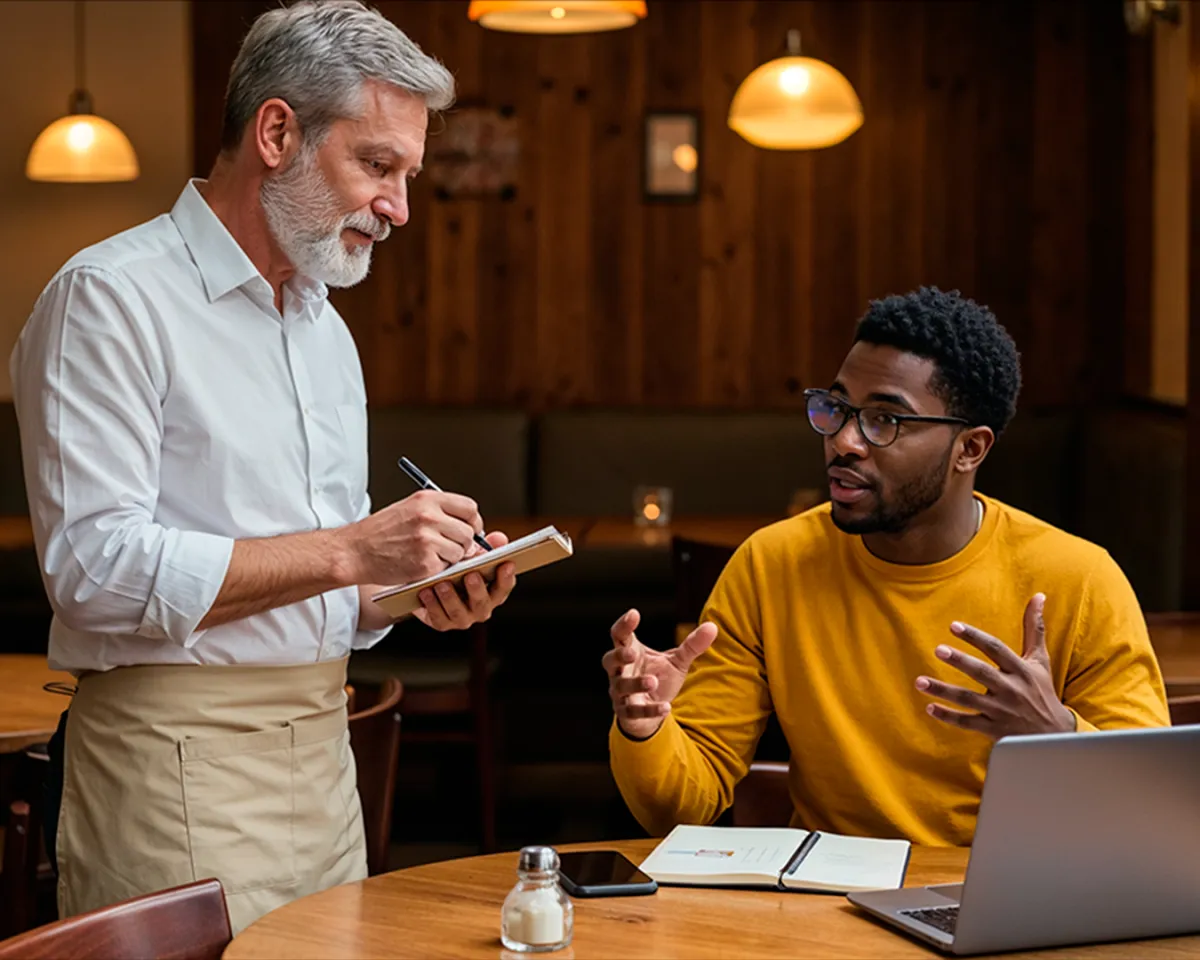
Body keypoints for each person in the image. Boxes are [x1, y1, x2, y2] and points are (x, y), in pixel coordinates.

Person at [10, 0, 515, 933]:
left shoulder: (325, 330)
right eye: (377, 166)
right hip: (167, 770)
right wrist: (354, 550)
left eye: (406, 175)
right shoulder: (110, 298)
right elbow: (93, 573)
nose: (399, 208)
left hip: (326, 764)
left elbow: (328, 591)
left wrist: (414, 589)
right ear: (277, 134)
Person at [604, 287, 1168, 847]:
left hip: (1005, 892)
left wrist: (1056, 735)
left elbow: (1153, 817)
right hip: (825, 894)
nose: (844, 441)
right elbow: (678, 808)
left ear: (970, 449)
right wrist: (647, 727)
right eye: (837, 409)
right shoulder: (771, 563)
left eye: (885, 420)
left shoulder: (1080, 581)